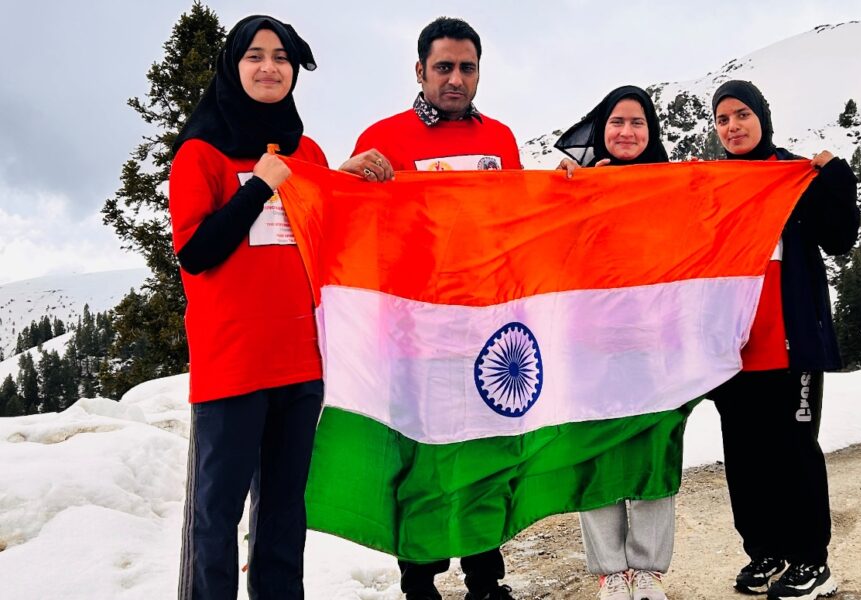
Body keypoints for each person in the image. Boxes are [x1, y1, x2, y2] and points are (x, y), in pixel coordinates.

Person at [343, 17, 521, 600]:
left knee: (483, 455)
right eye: (444, 67)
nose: (456, 79)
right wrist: (345, 178)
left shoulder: (500, 140)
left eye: (467, 68)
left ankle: (485, 579)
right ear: (420, 70)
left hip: (486, 328)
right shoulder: (383, 137)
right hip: (414, 333)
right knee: (420, 458)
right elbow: (350, 224)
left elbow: (520, 222)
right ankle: (418, 581)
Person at [169, 15, 326, 600]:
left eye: (281, 57)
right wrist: (257, 186)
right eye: (255, 55)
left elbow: (328, 230)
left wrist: (348, 180)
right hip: (232, 365)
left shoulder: (307, 152)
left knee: (284, 515)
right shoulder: (200, 154)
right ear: (233, 67)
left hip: (301, 363)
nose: (269, 67)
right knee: (216, 517)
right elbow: (196, 253)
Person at [707, 80, 859, 600]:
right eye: (723, 119)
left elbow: (839, 239)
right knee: (745, 457)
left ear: (762, 117)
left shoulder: (795, 174)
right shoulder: (713, 184)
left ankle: (812, 561)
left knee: (794, 451)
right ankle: (766, 552)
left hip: (790, 344)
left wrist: (836, 178)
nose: (733, 126)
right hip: (734, 349)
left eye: (742, 114)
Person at [554, 85, 673, 600]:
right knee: (597, 451)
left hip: (654, 344)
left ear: (651, 131)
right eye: (617, 122)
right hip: (591, 345)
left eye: (637, 122)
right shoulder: (575, 185)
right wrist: (564, 190)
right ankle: (610, 570)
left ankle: (647, 570)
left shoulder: (669, 186)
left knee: (653, 450)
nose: (627, 132)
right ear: (601, 129)